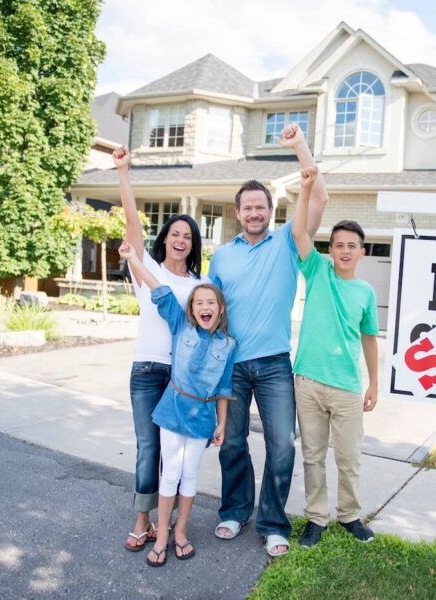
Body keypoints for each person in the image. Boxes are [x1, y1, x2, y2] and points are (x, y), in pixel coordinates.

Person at [209, 123, 328, 557]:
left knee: (282, 444)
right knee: (233, 444)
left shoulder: (288, 242)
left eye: (262, 206)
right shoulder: (221, 256)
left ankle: (272, 521)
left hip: (276, 363)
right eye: (248, 208)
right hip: (232, 365)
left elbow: (319, 199)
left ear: (271, 210)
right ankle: (234, 510)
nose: (255, 213)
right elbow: (209, 312)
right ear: (238, 213)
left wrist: (300, 149)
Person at [113, 146, 208, 553]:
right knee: (148, 445)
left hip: (182, 380)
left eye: (188, 237)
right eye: (175, 234)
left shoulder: (200, 286)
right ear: (165, 239)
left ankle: (170, 525)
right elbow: (132, 222)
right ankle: (142, 519)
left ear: (194, 244)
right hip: (147, 372)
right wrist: (123, 172)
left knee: (177, 454)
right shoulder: (145, 269)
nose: (181, 241)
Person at [119, 240, 235, 567]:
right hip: (173, 411)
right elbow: (159, 288)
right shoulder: (180, 324)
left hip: (202, 417)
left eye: (211, 302)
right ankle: (162, 537)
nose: (204, 307)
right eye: (199, 302)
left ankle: (181, 530)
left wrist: (222, 422)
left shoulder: (228, 345)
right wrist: (133, 260)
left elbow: (224, 387)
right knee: (170, 472)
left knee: (190, 474)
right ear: (192, 309)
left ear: (220, 308)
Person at [290, 166, 379, 547]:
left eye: (351, 245)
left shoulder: (366, 292)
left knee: (348, 458)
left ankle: (349, 516)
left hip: (346, 387)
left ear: (362, 251)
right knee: (312, 456)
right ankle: (316, 518)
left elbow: (370, 339)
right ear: (331, 250)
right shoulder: (317, 271)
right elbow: (297, 232)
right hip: (308, 380)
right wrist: (305, 188)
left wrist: (374, 383)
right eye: (338, 244)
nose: (344, 250)